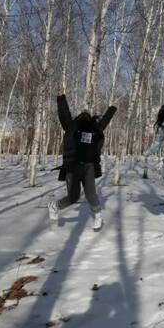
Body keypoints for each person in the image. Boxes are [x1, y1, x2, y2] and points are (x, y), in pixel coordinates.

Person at [48, 90, 117, 231]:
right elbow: (64, 114)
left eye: (87, 114)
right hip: (73, 166)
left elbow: (105, 120)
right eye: (82, 114)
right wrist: (61, 98)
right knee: (73, 197)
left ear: (91, 118)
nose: (85, 114)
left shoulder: (96, 129)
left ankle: (98, 216)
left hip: (89, 166)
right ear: (78, 117)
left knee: (91, 193)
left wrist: (112, 108)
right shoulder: (72, 127)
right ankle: (55, 206)